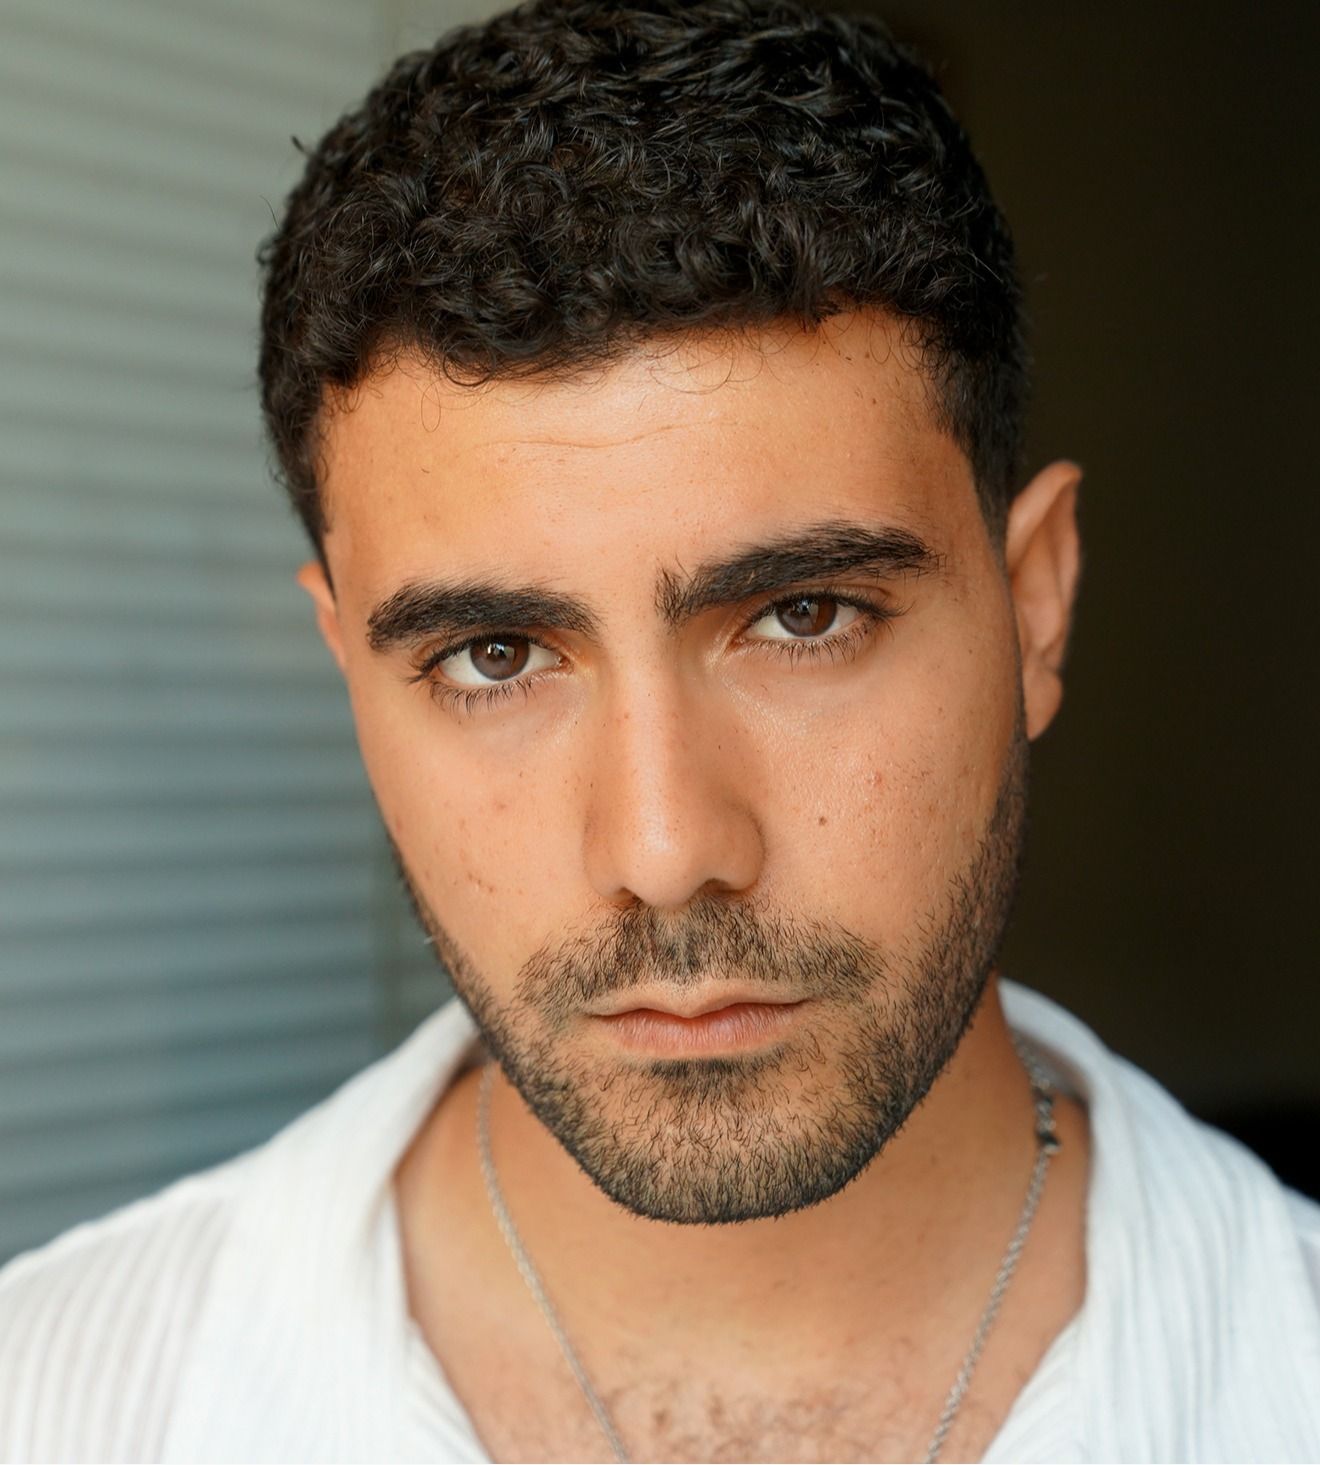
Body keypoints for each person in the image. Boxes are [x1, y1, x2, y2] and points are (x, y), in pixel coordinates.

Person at [2, 1, 1318, 1460]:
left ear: (1037, 609)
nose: (665, 847)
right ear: (347, 672)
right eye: (496, 655)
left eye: (805, 617)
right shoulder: (57, 1405)